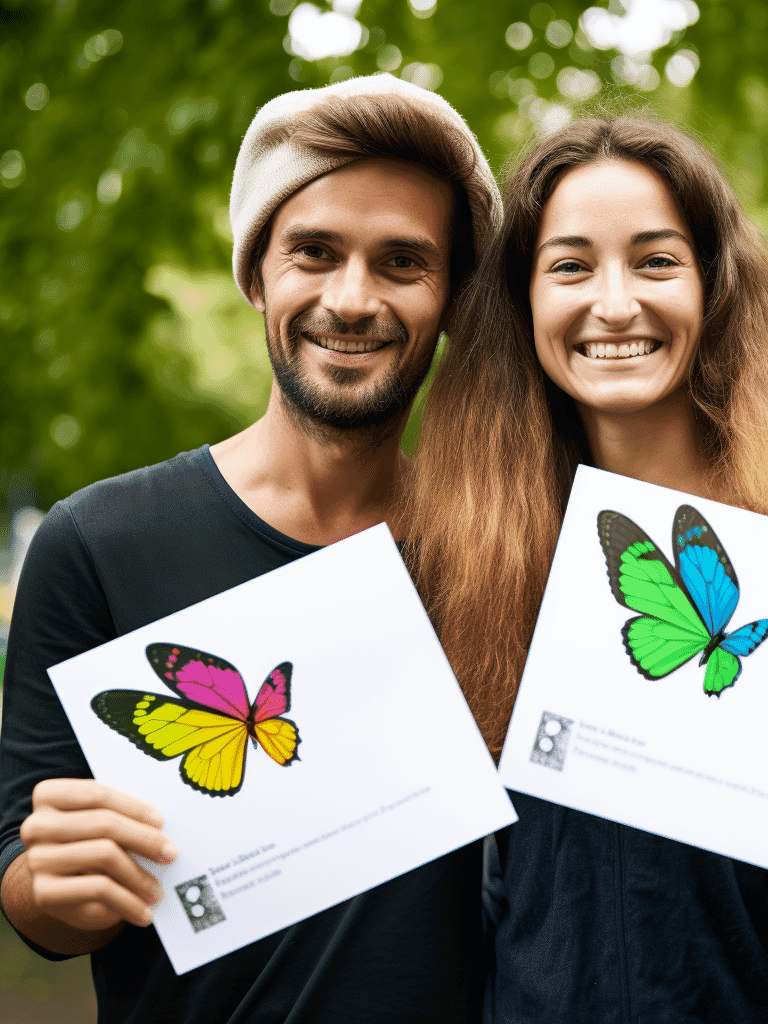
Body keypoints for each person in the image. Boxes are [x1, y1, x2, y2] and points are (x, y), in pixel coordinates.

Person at [405, 115, 768, 1022]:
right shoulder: (481, 583)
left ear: (716, 290)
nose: (615, 301)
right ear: (523, 305)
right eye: (571, 265)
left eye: (657, 260)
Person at [0, 74, 500, 1023]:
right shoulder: (94, 544)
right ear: (258, 271)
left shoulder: (505, 553)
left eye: (404, 262)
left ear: (450, 297)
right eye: (314, 252)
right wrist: (56, 882)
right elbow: (32, 894)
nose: (352, 300)